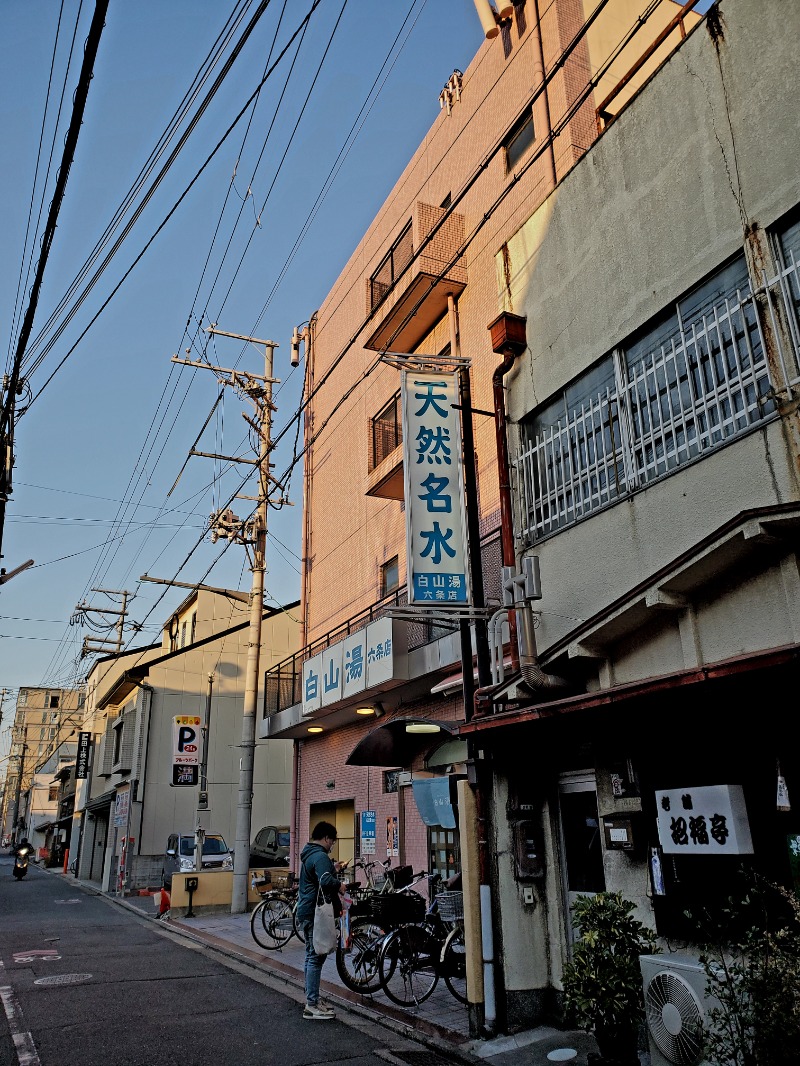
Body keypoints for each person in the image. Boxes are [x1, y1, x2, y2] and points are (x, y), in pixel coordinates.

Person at [296, 821, 346, 1021]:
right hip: (316, 913)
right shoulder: (320, 856)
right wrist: (340, 885)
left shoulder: (309, 854)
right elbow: (325, 881)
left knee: (311, 954)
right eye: (332, 841)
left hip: (306, 910)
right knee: (316, 956)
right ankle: (312, 1004)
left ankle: (312, 998)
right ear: (326, 838)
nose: (332, 844)